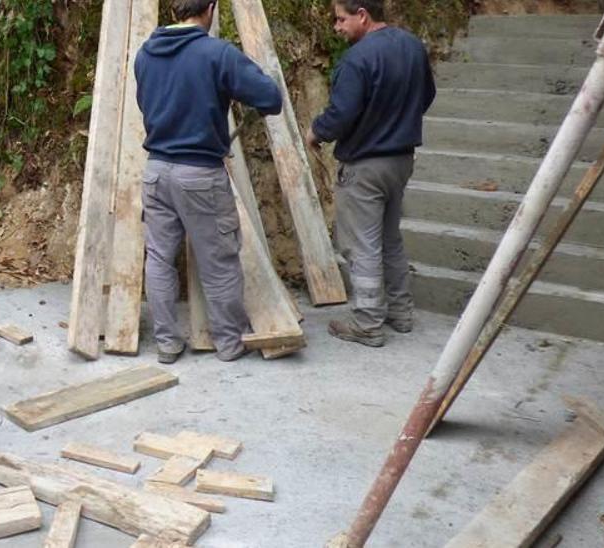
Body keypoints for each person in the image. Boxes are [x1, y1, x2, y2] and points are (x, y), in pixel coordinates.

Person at [134, 0, 283, 364]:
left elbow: (145, 105)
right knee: (218, 261)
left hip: (156, 171)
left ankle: (168, 343)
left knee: (158, 259)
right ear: (211, 8)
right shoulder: (217, 54)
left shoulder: (145, 54)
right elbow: (270, 98)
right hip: (199, 174)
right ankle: (229, 344)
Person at [306, 0, 435, 348]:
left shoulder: (357, 59)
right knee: (390, 238)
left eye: (341, 19)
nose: (337, 27)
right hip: (401, 161)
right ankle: (401, 313)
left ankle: (366, 322)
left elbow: (342, 113)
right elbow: (427, 95)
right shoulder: (412, 47)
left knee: (361, 245)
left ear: (362, 15)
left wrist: (316, 132)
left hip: (364, 167)